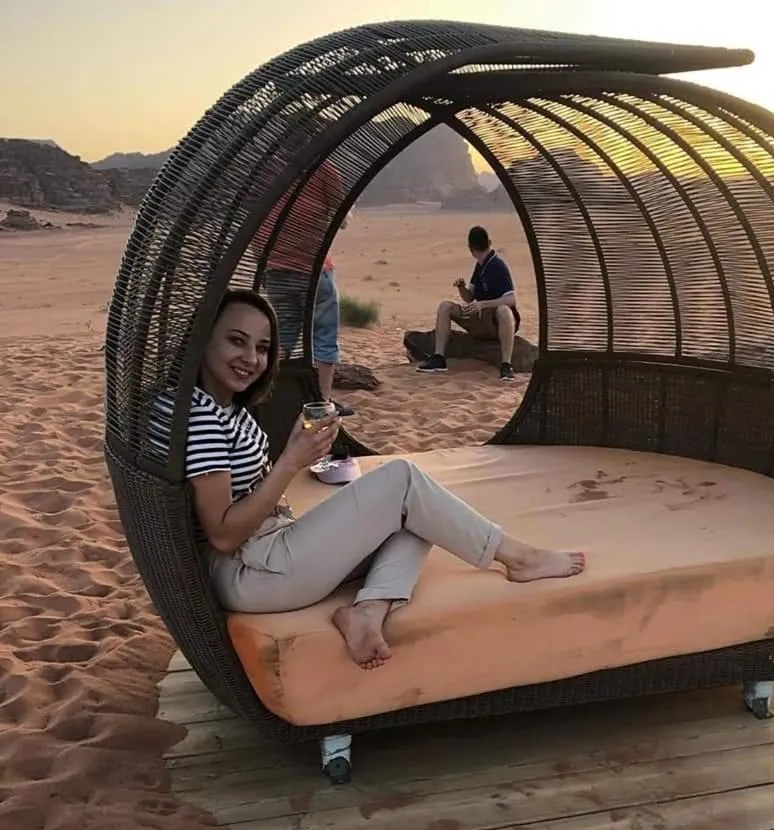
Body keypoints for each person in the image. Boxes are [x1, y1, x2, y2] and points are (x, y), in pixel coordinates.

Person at [149, 289, 585, 670]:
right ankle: (517, 557)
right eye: (236, 341)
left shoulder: (218, 405)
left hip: (267, 550)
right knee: (402, 481)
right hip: (251, 570)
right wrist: (289, 463)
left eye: (262, 348)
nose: (251, 358)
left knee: (422, 515)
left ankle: (368, 611)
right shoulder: (200, 418)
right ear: (203, 337)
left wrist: (294, 459)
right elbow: (223, 535)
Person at [255, 161, 354, 416]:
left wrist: (264, 268)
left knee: (284, 338)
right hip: (314, 271)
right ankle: (322, 403)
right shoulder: (324, 168)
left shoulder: (268, 169)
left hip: (276, 271)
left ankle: (266, 397)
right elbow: (342, 218)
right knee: (324, 337)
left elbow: (258, 229)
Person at [417, 225, 521, 382]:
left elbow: (511, 299)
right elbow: (469, 298)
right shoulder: (480, 266)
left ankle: (506, 364)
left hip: (495, 321)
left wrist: (483, 304)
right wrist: (461, 288)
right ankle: (439, 357)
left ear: (471, 249)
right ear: (489, 242)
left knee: (504, 310)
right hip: (479, 316)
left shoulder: (497, 265)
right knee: (445, 306)